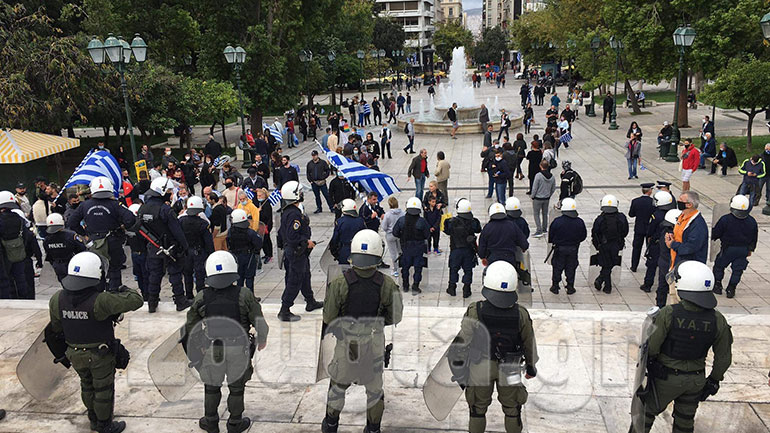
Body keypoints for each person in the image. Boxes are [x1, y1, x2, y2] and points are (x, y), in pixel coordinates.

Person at [48, 252, 143, 433]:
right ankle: (105, 425)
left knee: (86, 384)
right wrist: (123, 289)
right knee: (103, 390)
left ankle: (93, 417)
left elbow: (56, 327)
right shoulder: (101, 301)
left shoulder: (57, 299)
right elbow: (136, 300)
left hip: (74, 353)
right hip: (99, 355)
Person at [320, 229, 403, 433]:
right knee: (374, 391)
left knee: (338, 386)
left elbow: (329, 317)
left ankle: (331, 424)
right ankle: (373, 428)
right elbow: (396, 317)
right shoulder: (388, 285)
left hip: (346, 345)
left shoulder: (339, 283)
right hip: (373, 346)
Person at [640, 261, 732, 433]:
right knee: (685, 421)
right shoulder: (718, 319)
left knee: (644, 414)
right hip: (696, 380)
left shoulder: (669, 313)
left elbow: (651, 347)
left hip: (666, 379)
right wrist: (713, 380)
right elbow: (724, 357)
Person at [185, 251, 268, 433]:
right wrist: (262, 339)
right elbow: (260, 322)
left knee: (212, 387)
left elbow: (191, 326)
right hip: (238, 349)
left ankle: (211, 422)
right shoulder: (245, 294)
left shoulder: (201, 297)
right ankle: (235, 423)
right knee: (237, 388)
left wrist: (198, 346)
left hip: (213, 349)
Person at [452, 260, 537, 433]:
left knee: (477, 410)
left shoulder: (475, 309)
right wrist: (531, 366)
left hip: (480, 366)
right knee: (513, 410)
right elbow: (529, 342)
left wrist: (458, 367)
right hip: (511, 367)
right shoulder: (521, 313)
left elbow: (463, 341)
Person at [66, 177, 135, 291]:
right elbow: (130, 219)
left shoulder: (85, 205)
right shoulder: (115, 204)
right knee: (114, 270)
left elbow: (71, 222)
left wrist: (85, 234)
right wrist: (122, 226)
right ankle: (114, 294)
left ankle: (98, 295)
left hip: (94, 243)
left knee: (97, 269)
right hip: (113, 241)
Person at [135, 177, 192, 312]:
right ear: (162, 191)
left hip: (153, 247)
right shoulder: (165, 210)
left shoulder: (143, 208)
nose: (170, 193)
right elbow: (177, 231)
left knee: (154, 276)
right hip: (170, 248)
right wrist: (185, 247)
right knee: (175, 275)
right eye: (169, 191)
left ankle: (152, 303)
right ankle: (180, 301)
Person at [276, 181, 324, 321]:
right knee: (294, 280)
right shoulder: (294, 214)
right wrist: (306, 242)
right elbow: (292, 236)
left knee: (305, 276)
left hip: (298, 252)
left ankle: (310, 301)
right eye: (300, 192)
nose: (302, 194)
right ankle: (284, 309)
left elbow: (281, 234)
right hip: (296, 252)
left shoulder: (288, 211)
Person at [711, 195, 757, 299]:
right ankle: (731, 288)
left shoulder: (725, 219)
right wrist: (750, 249)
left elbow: (716, 233)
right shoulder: (752, 221)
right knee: (738, 270)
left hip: (728, 249)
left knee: (719, 266)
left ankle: (718, 284)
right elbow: (754, 237)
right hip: (743, 250)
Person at [443, 199, 482, 298]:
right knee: (468, 270)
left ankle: (452, 288)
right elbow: (478, 230)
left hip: (456, 249)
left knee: (453, 269)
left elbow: (446, 230)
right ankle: (467, 289)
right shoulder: (473, 221)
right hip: (469, 250)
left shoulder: (451, 222)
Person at [591, 195, 629, 294]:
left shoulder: (600, 219)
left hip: (604, 245)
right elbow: (625, 231)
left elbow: (594, 233)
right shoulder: (621, 217)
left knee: (606, 264)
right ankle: (604, 283)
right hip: (616, 244)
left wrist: (597, 245)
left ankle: (604, 283)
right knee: (610, 263)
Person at [548, 198, 587, 294]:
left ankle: (555, 286)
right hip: (573, 248)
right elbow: (583, 236)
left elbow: (551, 235)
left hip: (559, 248)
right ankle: (570, 286)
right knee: (571, 267)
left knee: (557, 267)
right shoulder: (580, 222)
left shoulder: (557, 221)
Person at [392, 197, 430, 294]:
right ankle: (415, 286)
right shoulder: (422, 221)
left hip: (405, 248)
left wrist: (402, 236)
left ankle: (405, 286)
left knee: (405, 267)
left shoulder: (401, 220)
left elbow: (395, 233)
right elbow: (427, 235)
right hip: (418, 248)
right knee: (418, 268)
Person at [179, 196, 214, 299]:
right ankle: (200, 296)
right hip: (198, 252)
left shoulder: (181, 221)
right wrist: (211, 255)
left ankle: (189, 295)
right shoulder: (203, 223)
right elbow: (208, 242)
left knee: (187, 275)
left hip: (185, 252)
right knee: (200, 275)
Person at [478, 203, 529, 268]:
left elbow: (482, 247)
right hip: (509, 258)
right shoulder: (512, 225)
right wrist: (523, 247)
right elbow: (524, 244)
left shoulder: (487, 228)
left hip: (493, 259)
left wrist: (482, 256)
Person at [666, 191, 709, 266]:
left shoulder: (698, 225)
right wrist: (671, 236)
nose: (678, 202)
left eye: (681, 200)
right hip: (677, 261)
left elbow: (690, 248)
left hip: (689, 266)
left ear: (689, 205)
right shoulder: (681, 216)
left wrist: (672, 244)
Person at [226, 209, 263, 292]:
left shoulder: (230, 232)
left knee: (239, 279)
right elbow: (259, 243)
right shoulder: (250, 232)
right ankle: (250, 297)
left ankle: (239, 296)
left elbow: (228, 244)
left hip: (236, 257)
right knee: (249, 278)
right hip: (249, 256)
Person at [43, 213, 86, 283]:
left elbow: (49, 255)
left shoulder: (47, 239)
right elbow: (82, 249)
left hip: (58, 266)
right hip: (73, 264)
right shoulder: (71, 235)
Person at [330, 199, 366, 265]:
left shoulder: (340, 222)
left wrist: (335, 253)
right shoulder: (361, 221)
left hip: (345, 251)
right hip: (358, 251)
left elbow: (335, 240)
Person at [629, 183, 655, 273]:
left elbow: (631, 214)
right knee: (650, 248)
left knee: (636, 247)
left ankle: (634, 265)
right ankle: (649, 264)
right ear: (650, 191)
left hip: (639, 228)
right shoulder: (653, 202)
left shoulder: (635, 201)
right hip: (649, 228)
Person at [530, 160, 556, 237]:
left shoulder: (538, 176)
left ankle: (539, 230)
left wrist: (532, 196)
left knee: (536, 214)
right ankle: (544, 228)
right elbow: (553, 188)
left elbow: (535, 187)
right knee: (545, 214)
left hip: (538, 198)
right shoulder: (552, 177)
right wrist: (549, 195)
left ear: (540, 166)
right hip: (546, 198)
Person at [382, 197, 403, 277]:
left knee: (393, 253)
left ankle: (395, 270)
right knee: (400, 251)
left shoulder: (387, 215)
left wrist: (388, 230)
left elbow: (384, 227)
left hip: (390, 235)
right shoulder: (402, 213)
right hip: (400, 234)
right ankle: (402, 267)